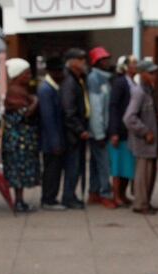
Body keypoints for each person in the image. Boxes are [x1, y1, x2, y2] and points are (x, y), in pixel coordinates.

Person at [2, 58, 41, 213]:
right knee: (19, 171)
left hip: (23, 138)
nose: (29, 76)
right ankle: (18, 200)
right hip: (18, 139)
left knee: (22, 170)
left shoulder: (21, 90)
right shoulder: (15, 92)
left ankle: (20, 199)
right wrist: (35, 102)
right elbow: (24, 113)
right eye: (26, 73)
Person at [123, 59, 158, 215]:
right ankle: (140, 204)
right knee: (143, 174)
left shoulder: (148, 91)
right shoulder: (139, 92)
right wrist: (145, 131)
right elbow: (129, 117)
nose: (154, 76)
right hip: (144, 141)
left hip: (150, 141)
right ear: (142, 74)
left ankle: (146, 202)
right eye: (151, 73)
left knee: (150, 173)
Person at [60, 48, 90, 210]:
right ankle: (68, 196)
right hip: (73, 133)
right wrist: (80, 130)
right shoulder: (69, 83)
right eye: (80, 60)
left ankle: (71, 195)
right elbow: (68, 111)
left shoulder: (79, 80)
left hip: (79, 130)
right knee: (73, 166)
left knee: (77, 166)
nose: (84, 63)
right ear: (72, 63)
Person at [108, 54, 138, 207]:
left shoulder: (133, 83)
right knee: (117, 166)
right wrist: (114, 131)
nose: (136, 66)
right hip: (119, 130)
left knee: (127, 165)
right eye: (133, 63)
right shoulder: (119, 83)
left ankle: (124, 194)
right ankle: (116, 195)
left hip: (130, 131)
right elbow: (113, 107)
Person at [87, 46, 115, 208]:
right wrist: (99, 133)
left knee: (96, 163)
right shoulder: (95, 79)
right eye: (103, 59)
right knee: (103, 163)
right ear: (96, 62)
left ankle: (94, 192)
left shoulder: (104, 78)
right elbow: (96, 107)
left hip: (101, 129)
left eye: (107, 59)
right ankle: (105, 193)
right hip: (99, 130)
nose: (107, 62)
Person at [38, 54, 67, 211]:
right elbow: (48, 118)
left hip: (55, 137)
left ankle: (50, 196)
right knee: (51, 170)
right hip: (51, 140)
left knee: (55, 170)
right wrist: (55, 142)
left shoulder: (53, 88)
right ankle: (48, 198)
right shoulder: (46, 90)